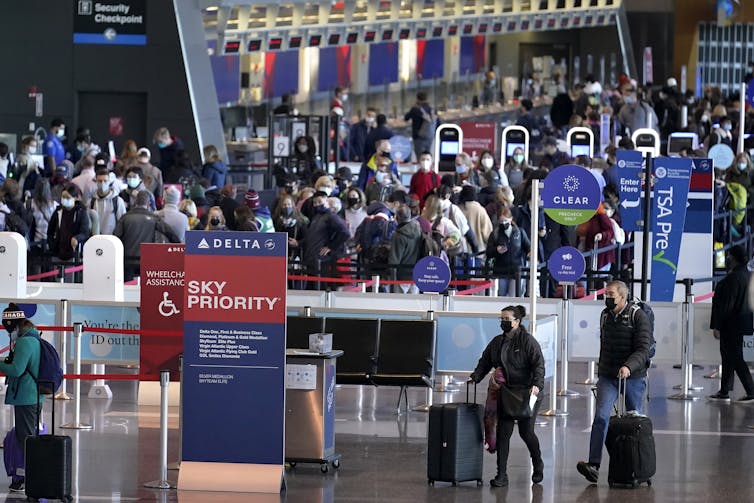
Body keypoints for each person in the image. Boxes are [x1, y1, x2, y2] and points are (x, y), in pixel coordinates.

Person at [577, 280, 650, 484]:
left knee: (633, 421)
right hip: (608, 376)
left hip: (633, 377)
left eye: (610, 294)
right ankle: (594, 464)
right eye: (606, 294)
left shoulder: (638, 316)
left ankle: (635, 466)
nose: (607, 298)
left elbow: (643, 348)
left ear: (622, 296)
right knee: (601, 417)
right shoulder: (605, 316)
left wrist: (628, 366)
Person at [469, 305, 545, 487]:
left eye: (506, 319)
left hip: (527, 392)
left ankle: (538, 463)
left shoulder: (528, 341)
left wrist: (537, 384)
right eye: (501, 319)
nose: (502, 322)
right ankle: (501, 475)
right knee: (504, 433)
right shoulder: (497, 342)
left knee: (526, 433)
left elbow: (539, 365)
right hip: (506, 392)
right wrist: (475, 377)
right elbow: (485, 361)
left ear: (517, 322)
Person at [1, 304, 43, 493]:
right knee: (26, 437)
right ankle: (30, 475)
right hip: (30, 395)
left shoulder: (26, 342)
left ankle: (31, 477)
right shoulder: (31, 338)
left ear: (14, 324)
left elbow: (17, 369)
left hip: (27, 396)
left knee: (26, 439)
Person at [708, 245, 754, 402]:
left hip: (731, 325)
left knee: (735, 358)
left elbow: (727, 304)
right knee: (728, 357)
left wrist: (718, 326)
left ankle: (751, 390)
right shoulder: (747, 275)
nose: (727, 259)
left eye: (729, 256)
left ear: (734, 258)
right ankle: (724, 390)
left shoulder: (734, 278)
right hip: (741, 324)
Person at [113, 191, 180, 280]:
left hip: (126, 261)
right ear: (149, 203)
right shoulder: (154, 218)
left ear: (135, 202)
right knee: (145, 290)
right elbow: (171, 234)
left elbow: (115, 237)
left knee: (126, 289)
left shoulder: (125, 217)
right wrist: (178, 248)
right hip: (146, 261)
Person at [47, 184, 90, 262]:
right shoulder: (58, 211)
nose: (64, 199)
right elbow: (50, 230)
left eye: (68, 197)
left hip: (74, 253)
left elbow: (85, 232)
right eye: (63, 197)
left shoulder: (81, 212)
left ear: (75, 198)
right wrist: (52, 246)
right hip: (58, 252)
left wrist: (77, 238)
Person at [388, 204, 422, 293]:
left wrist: (391, 280)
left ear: (397, 217)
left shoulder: (398, 235)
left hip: (401, 276)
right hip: (416, 274)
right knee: (415, 305)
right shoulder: (418, 229)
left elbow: (394, 260)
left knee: (399, 305)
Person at [90, 168, 127, 235]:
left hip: (112, 239)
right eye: (100, 181)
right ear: (96, 181)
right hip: (96, 239)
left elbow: (122, 222)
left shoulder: (117, 201)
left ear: (109, 181)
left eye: (105, 181)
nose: (103, 183)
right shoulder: (92, 201)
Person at [404, 91, 435, 159]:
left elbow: (406, 118)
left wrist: (413, 106)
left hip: (418, 136)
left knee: (420, 157)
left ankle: (421, 168)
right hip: (430, 135)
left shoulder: (415, 109)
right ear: (426, 99)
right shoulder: (431, 109)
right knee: (427, 155)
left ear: (417, 99)